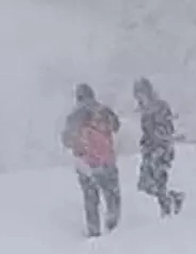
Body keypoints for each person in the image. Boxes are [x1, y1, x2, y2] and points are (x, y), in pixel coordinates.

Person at [61, 83, 121, 238]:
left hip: (86, 165)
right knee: (112, 194)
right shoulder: (104, 110)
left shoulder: (74, 116)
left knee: (90, 199)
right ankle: (113, 225)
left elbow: (66, 140)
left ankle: (94, 230)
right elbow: (116, 126)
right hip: (107, 161)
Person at [132, 77, 184, 217]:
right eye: (136, 94)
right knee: (146, 185)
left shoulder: (160, 107)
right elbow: (148, 131)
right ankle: (173, 199)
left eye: (140, 93)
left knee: (158, 182)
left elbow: (166, 129)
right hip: (150, 150)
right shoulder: (145, 110)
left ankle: (166, 209)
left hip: (161, 150)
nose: (138, 97)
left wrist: (161, 145)